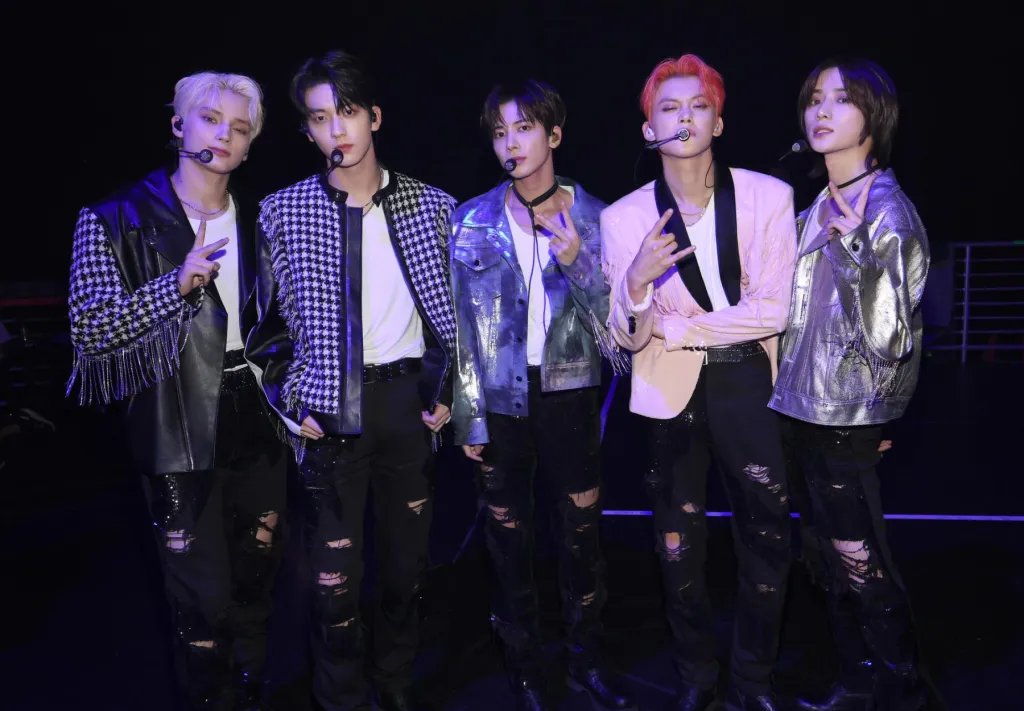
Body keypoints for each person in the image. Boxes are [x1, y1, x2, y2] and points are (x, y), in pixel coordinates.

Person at [67, 71, 286, 710]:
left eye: (239, 128)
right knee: (201, 600)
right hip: (174, 422)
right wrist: (175, 287)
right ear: (177, 124)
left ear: (250, 145)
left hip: (258, 416)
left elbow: (288, 324)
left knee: (258, 578)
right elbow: (90, 333)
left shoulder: (264, 217)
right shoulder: (113, 219)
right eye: (210, 119)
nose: (224, 135)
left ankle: (250, 693)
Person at [245, 49, 456, 711]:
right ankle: (338, 699)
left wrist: (448, 391)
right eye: (318, 118)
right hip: (329, 412)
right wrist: (290, 399)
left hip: (408, 407)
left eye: (347, 112)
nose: (336, 129)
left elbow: (458, 316)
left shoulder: (432, 205)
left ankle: (394, 684)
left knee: (405, 571)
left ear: (375, 117)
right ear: (306, 132)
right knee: (332, 582)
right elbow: (265, 327)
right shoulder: (283, 211)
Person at [600, 53, 797, 711]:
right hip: (668, 396)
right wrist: (635, 285)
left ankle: (753, 679)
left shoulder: (769, 197)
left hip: (749, 382)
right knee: (676, 545)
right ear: (648, 129)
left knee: (767, 534)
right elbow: (628, 337)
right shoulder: (623, 218)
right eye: (669, 108)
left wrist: (676, 326)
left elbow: (774, 311)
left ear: (718, 120)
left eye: (698, 105)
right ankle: (695, 677)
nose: (683, 117)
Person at [450, 79, 635, 711]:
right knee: (508, 540)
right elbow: (460, 331)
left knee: (581, 535)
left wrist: (579, 259)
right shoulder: (470, 220)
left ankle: (587, 659)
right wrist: (469, 417)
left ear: (553, 135)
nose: (511, 143)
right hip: (499, 398)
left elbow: (618, 328)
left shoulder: (599, 218)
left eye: (524, 128)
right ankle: (524, 667)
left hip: (569, 394)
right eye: (500, 132)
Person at [768, 57, 933, 711]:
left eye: (840, 98)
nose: (820, 110)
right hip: (799, 409)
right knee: (826, 556)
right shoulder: (818, 205)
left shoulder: (888, 212)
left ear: (875, 114)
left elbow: (894, 337)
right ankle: (859, 680)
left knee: (860, 559)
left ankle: (902, 690)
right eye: (814, 98)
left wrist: (857, 248)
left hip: (846, 417)